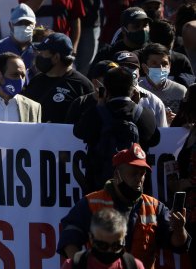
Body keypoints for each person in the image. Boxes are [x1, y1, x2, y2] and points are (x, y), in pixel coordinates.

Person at [58, 143, 189, 266]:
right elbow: (69, 237)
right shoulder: (91, 203)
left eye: (142, 174)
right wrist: (80, 266)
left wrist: (179, 229)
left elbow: (178, 245)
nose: (139, 179)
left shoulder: (155, 207)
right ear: (117, 174)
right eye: (133, 173)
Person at [24, 32, 94, 123]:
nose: (38, 56)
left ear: (56, 57)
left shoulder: (82, 86)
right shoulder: (36, 81)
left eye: (42, 53)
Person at [60, 208, 146, 269]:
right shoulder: (73, 266)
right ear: (91, 238)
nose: (109, 251)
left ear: (124, 239)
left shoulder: (134, 266)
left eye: (116, 246)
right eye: (102, 245)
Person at [0, 4, 37, 86]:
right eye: (19, 23)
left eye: (28, 23)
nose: (24, 26)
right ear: (10, 25)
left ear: (34, 25)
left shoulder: (39, 49)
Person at [139, 43, 186, 115]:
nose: (160, 68)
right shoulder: (137, 91)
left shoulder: (181, 91)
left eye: (164, 63)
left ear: (169, 66)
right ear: (145, 68)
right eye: (154, 63)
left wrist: (175, 120)